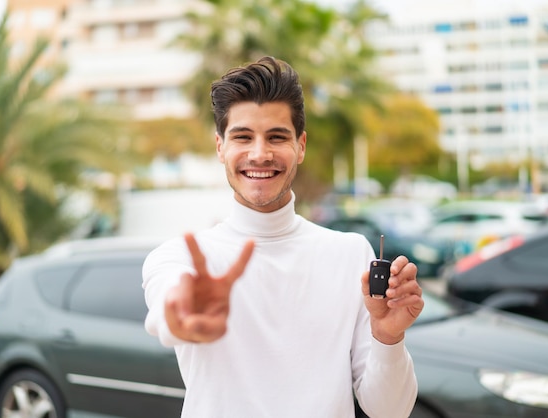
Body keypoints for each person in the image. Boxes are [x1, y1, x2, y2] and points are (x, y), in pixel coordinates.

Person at [142, 56, 424, 418]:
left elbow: (390, 411)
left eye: (277, 137)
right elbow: (170, 308)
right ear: (220, 147)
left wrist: (388, 336)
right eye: (242, 137)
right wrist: (186, 313)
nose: (260, 154)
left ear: (301, 146)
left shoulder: (351, 254)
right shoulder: (178, 256)